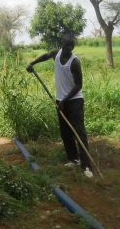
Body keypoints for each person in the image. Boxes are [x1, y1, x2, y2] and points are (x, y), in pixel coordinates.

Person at [26, 34, 93, 178]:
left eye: (72, 45)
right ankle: (73, 159)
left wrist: (64, 101)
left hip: (74, 100)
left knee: (79, 132)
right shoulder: (56, 54)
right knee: (65, 132)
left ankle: (87, 166)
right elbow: (46, 55)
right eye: (67, 44)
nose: (69, 48)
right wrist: (32, 63)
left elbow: (79, 85)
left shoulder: (75, 62)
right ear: (61, 43)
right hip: (60, 100)